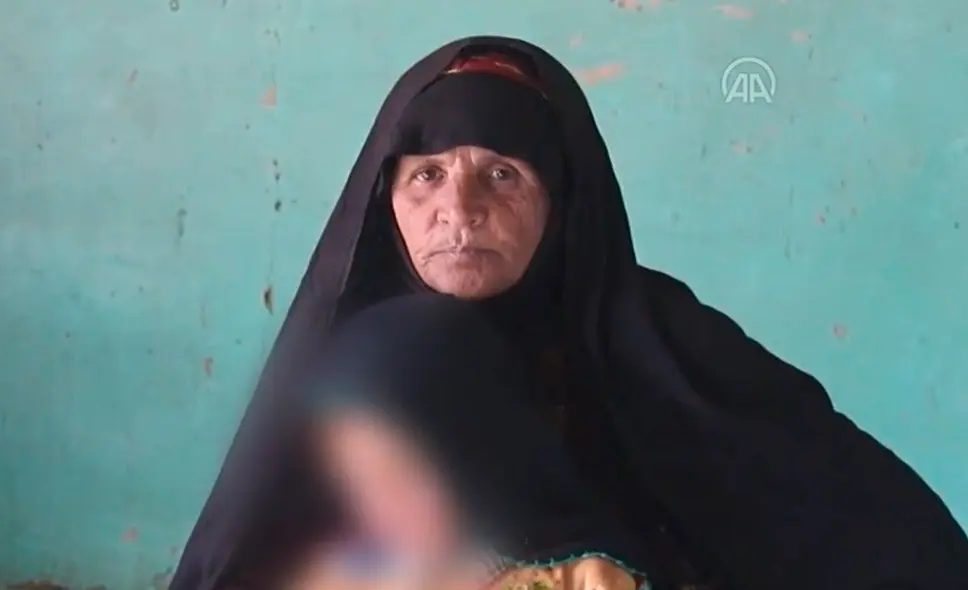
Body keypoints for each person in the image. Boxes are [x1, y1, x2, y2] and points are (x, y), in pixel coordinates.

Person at [171, 36, 968, 590]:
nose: (461, 209)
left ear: (561, 197)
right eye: (428, 176)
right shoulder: (357, 374)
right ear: (386, 200)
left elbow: (867, 523)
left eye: (504, 175)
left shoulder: (661, 344)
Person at [283, 293, 648, 590]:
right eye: (355, 480)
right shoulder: (344, 577)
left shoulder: (584, 580)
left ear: (475, 459)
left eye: (398, 475)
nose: (379, 505)